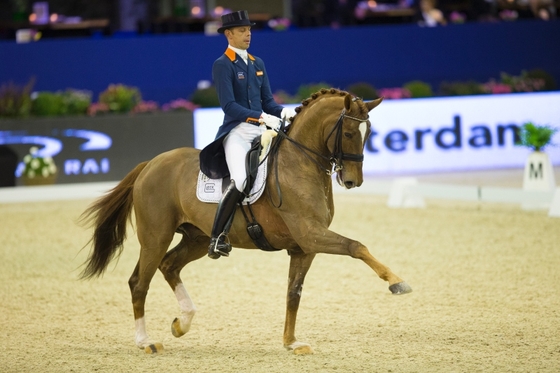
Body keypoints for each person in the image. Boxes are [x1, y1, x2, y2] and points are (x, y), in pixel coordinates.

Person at [199, 10, 296, 260]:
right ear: (229, 34)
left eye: (249, 30)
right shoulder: (222, 64)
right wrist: (261, 117)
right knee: (241, 180)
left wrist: (287, 112)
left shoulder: (257, 63)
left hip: (262, 131)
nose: (248, 34)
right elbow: (229, 106)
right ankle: (217, 237)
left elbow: (268, 102)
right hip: (237, 132)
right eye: (242, 31)